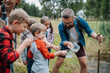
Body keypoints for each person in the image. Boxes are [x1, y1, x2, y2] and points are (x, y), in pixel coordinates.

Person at [52, 8, 103, 73]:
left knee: (84, 64)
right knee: (58, 63)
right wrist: (67, 43)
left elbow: (89, 31)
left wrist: (96, 36)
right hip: (66, 44)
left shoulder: (80, 21)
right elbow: (63, 40)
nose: (67, 25)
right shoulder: (61, 25)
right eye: (65, 23)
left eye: (69, 22)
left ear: (74, 18)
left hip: (78, 43)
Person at [0, 8, 33, 73]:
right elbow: (8, 59)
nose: (24, 29)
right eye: (24, 26)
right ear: (15, 23)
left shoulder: (5, 33)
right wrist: (24, 44)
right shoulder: (5, 36)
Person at [0, 1, 20, 72]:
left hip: (10, 49)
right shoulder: (0, 10)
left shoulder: (17, 14)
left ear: (17, 1)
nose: (7, 0)